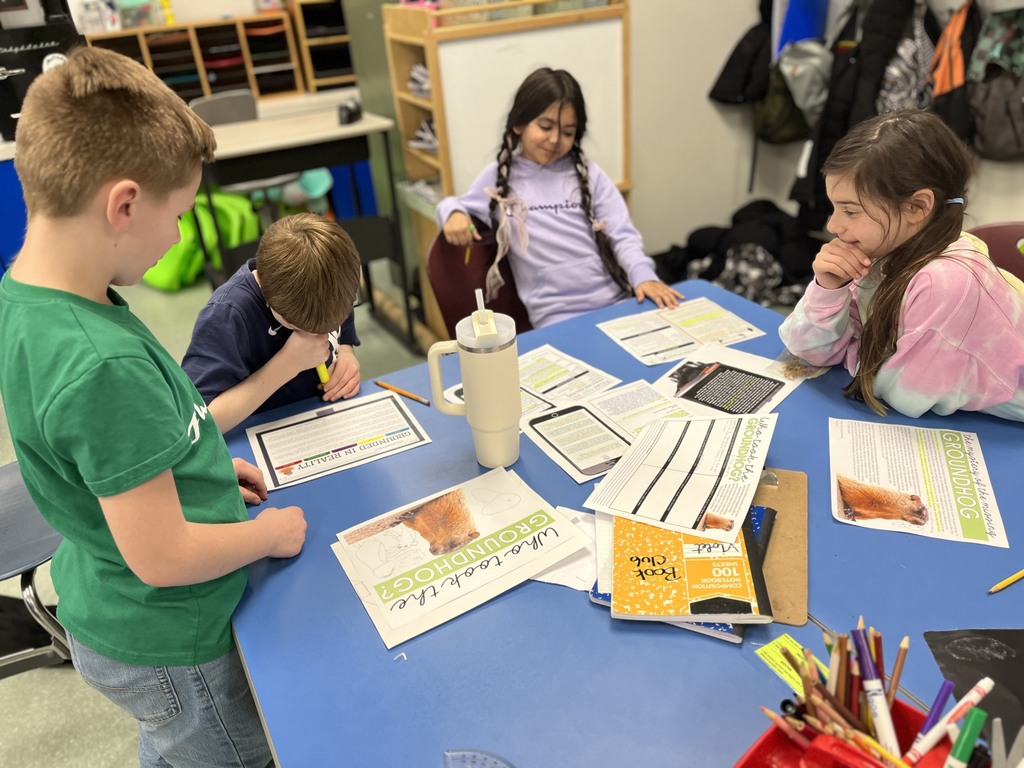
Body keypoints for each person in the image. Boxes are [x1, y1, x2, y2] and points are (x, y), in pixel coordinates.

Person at [0, 47, 306, 767]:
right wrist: (267, 535)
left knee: (177, 747)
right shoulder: (97, 362)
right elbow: (164, 556)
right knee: (223, 751)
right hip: (175, 642)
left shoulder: (38, 298)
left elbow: (111, 456)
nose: (177, 236)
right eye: (179, 216)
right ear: (126, 203)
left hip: (114, 609)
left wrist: (199, 472)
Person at [780, 108, 1024, 421]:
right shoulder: (886, 250)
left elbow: (899, 394)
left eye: (851, 211)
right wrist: (829, 288)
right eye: (834, 208)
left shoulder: (945, 281)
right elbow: (807, 349)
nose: (834, 226)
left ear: (917, 206)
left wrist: (852, 345)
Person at [436, 67, 683, 328]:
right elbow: (454, 204)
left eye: (567, 132)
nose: (555, 140)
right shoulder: (500, 178)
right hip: (555, 318)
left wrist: (643, 276)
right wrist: (453, 213)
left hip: (616, 302)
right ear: (519, 123)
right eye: (545, 126)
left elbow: (622, 234)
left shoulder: (589, 174)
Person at [182, 212, 362, 433]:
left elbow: (340, 322)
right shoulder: (227, 316)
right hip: (261, 435)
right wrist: (288, 364)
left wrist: (346, 352)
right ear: (267, 294)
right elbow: (198, 422)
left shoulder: (333, 281)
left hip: (321, 421)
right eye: (296, 326)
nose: (320, 336)